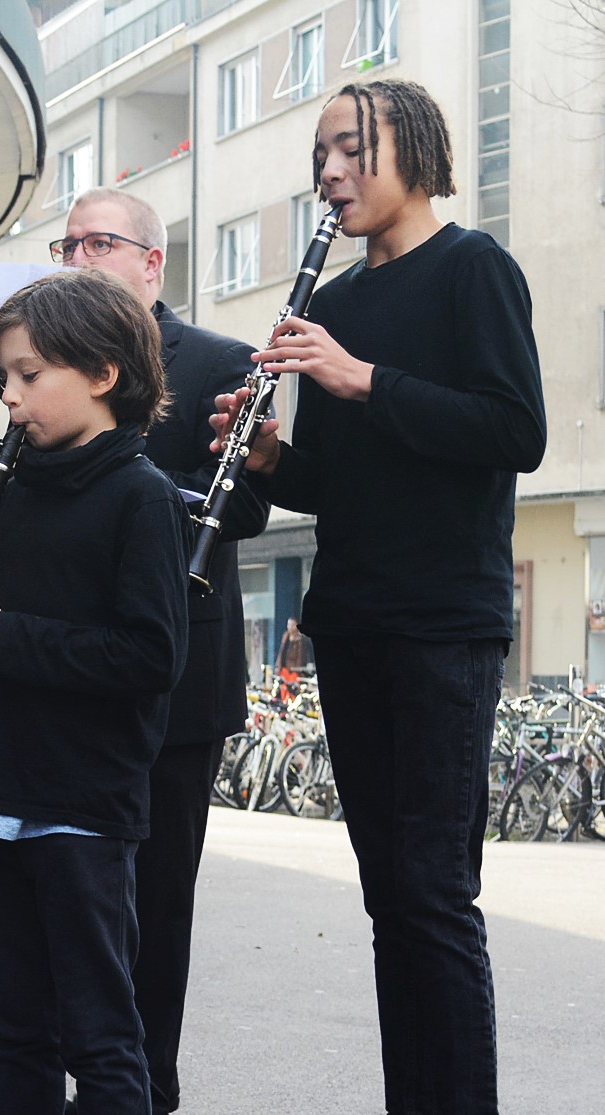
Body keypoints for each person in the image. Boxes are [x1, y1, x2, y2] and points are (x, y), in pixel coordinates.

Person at [210, 79, 545, 1113]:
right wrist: (268, 455)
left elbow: (511, 431)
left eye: (349, 148)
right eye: (318, 155)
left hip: (444, 625)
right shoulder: (336, 300)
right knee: (389, 900)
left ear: (415, 148)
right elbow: (339, 480)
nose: (328, 172)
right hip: (349, 620)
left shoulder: (472, 269)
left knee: (435, 897)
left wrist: (358, 381)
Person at [0, 268, 187, 1114]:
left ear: (103, 373)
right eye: (2, 382)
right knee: (17, 1026)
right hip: (0, 793)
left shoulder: (143, 497)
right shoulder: (14, 496)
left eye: (30, 375)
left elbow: (148, 656)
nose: (12, 399)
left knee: (99, 1032)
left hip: (86, 801)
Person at [55, 187, 269, 1115]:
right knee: (79, 898)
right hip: (69, 662)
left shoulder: (221, 362)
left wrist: (131, 492)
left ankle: (150, 1089)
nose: (75, 257)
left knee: (158, 901)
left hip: (180, 671)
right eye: (65, 244)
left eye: (97, 241)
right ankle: (96, 1080)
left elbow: (249, 510)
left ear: (152, 262)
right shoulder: (50, 366)